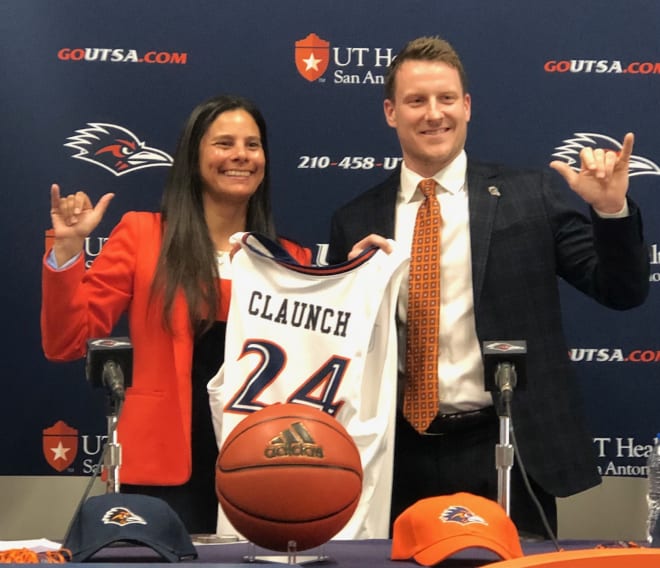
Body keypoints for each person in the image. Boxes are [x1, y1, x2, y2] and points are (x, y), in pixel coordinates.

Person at [327, 36, 649, 538]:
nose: (434, 114)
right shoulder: (355, 220)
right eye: (416, 101)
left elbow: (622, 290)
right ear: (391, 112)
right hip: (395, 454)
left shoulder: (530, 195)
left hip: (504, 447)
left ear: (468, 106)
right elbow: (335, 347)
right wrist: (346, 286)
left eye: (446, 99)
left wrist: (611, 211)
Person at [41, 94, 311, 534]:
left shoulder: (291, 259)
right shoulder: (142, 235)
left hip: (262, 468)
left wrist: (359, 274)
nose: (241, 155)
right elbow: (66, 341)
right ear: (193, 157)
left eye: (252, 144)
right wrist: (68, 252)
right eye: (224, 143)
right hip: (160, 469)